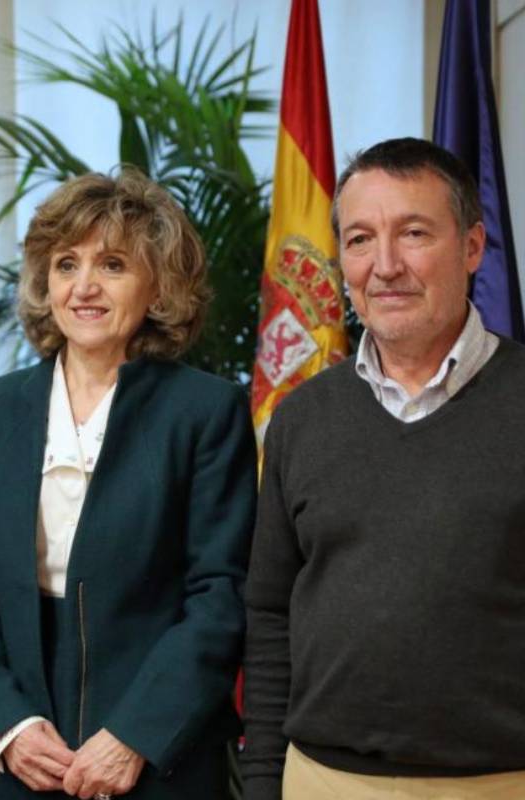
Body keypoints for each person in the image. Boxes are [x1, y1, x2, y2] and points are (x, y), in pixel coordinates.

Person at [0, 169, 257, 799]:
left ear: (158, 285)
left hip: (159, 753)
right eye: (66, 264)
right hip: (20, 753)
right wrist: (8, 725)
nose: (84, 286)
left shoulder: (206, 412)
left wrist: (135, 735)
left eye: (112, 265)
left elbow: (222, 595)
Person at [242, 137, 525, 799]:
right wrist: (262, 781)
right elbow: (270, 613)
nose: (385, 266)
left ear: (473, 247)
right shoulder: (301, 418)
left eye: (414, 233)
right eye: (361, 239)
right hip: (321, 781)